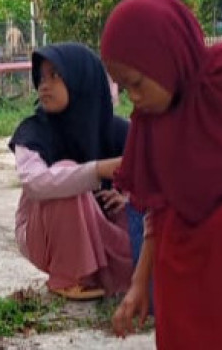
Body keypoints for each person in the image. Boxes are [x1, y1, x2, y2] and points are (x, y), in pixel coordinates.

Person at [100, 0, 222, 349]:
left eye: (137, 83)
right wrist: (140, 283)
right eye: (124, 89)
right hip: (181, 268)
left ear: (165, 57)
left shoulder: (221, 84)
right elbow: (156, 206)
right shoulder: (150, 122)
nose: (134, 98)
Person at [9, 43, 134, 300]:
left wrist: (129, 199)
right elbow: (36, 184)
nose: (44, 85)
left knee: (132, 213)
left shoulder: (118, 130)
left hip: (100, 223)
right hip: (43, 233)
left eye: (55, 75)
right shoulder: (33, 131)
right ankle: (67, 276)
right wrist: (97, 171)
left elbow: (154, 176)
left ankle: (111, 276)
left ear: (81, 80)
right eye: (41, 77)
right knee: (65, 174)